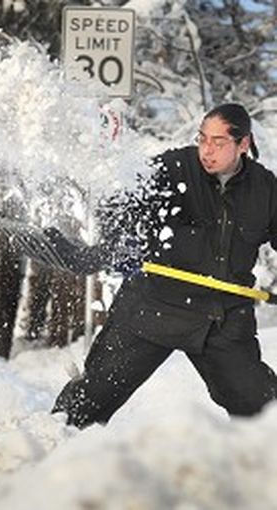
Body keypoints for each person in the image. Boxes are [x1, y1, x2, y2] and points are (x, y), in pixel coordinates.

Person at [46, 103, 277, 428]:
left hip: (221, 319)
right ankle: (45, 448)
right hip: (154, 308)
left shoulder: (265, 188)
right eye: (202, 139)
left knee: (262, 410)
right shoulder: (174, 168)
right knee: (90, 399)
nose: (206, 150)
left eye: (218, 142)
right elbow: (127, 201)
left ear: (243, 144)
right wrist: (105, 249)